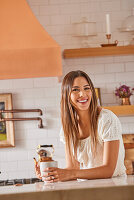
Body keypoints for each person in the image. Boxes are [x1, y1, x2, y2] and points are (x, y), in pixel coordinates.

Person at [35, 70, 126, 183]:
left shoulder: (107, 119)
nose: (82, 94)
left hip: (115, 188)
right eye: (75, 90)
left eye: (86, 88)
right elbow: (72, 169)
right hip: (86, 189)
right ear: (66, 95)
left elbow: (109, 170)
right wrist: (51, 174)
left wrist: (71, 173)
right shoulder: (67, 128)